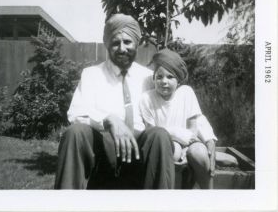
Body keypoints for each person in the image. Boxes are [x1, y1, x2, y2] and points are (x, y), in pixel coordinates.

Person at [54, 14, 177, 189]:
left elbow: (170, 107)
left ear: (136, 43)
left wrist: (197, 136)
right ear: (107, 45)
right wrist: (108, 120)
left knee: (160, 135)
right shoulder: (92, 74)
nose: (121, 48)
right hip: (103, 152)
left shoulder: (149, 78)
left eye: (127, 42)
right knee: (75, 132)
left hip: (140, 151)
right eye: (115, 43)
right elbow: (75, 114)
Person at [139, 48, 217, 189]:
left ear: (178, 80)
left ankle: (209, 192)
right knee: (173, 153)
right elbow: (151, 131)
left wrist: (187, 142)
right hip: (167, 142)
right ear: (153, 78)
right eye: (159, 77)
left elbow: (193, 127)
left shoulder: (186, 93)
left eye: (170, 77)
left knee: (199, 153)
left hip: (189, 140)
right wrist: (174, 134)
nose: (164, 81)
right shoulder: (147, 98)